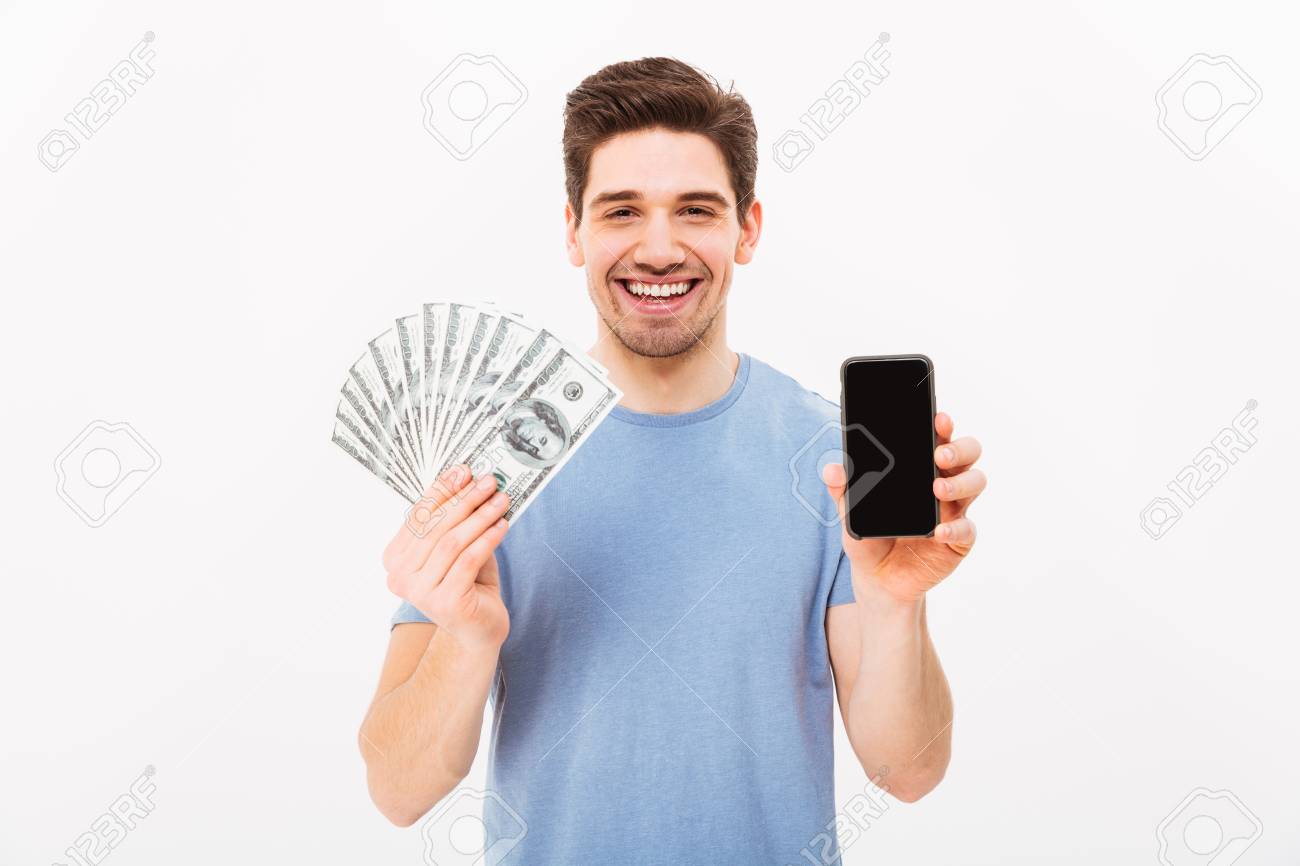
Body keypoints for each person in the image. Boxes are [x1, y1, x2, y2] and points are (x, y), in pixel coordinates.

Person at [359, 56, 986, 864]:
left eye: (696, 210)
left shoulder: (835, 459)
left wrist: (893, 600)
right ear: (573, 232)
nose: (659, 249)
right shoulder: (490, 466)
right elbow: (397, 792)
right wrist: (467, 636)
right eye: (622, 211)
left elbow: (909, 771)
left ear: (746, 229)